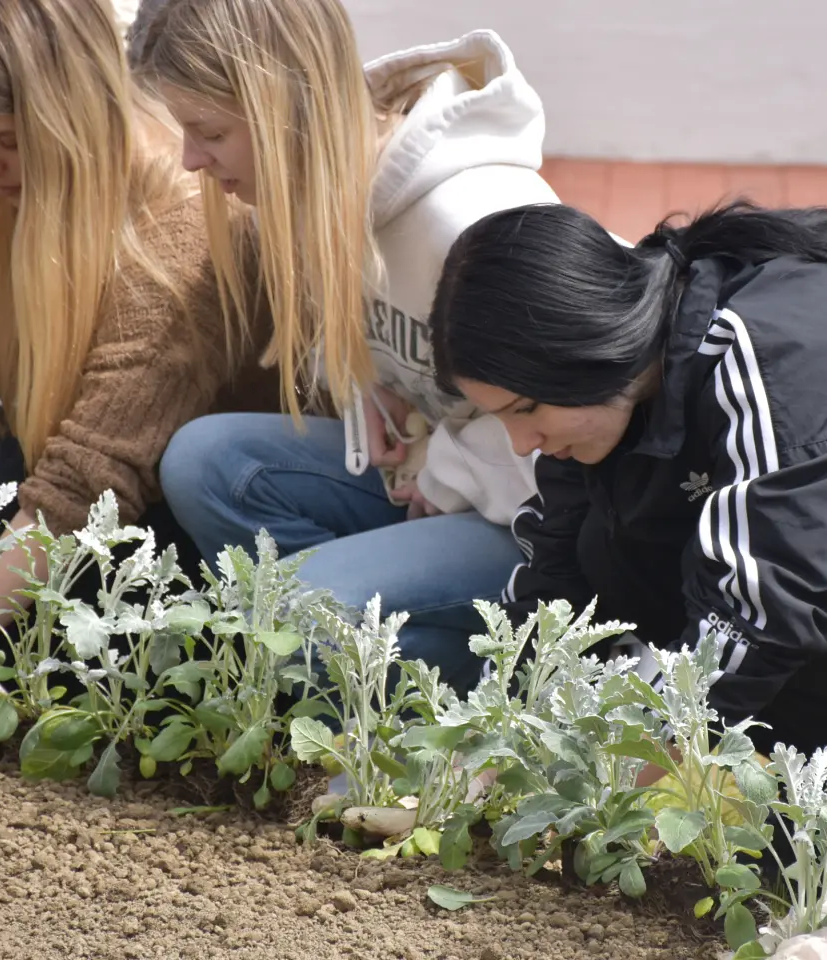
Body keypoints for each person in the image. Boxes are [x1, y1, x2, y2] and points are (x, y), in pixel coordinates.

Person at [428, 200, 827, 793]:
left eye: (527, 408)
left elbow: (788, 585)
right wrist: (477, 749)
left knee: (799, 599)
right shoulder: (632, 366)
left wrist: (597, 782)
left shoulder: (770, 349)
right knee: (613, 546)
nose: (520, 443)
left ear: (583, 349)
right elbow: (555, 578)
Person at [135, 3, 555, 689]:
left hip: (527, 521)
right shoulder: (317, 191)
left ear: (283, 108)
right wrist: (377, 400)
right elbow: (399, 351)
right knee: (208, 463)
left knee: (296, 614)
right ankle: (347, 653)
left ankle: (496, 689)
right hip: (445, 485)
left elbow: (571, 433)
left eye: (208, 131)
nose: (189, 159)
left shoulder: (471, 219)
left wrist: (441, 466)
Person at [0, 0, 271, 624]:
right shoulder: (48, 187)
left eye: (5, 142)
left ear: (73, 120)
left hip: (179, 532)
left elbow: (83, 489)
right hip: (85, 465)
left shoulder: (180, 233)